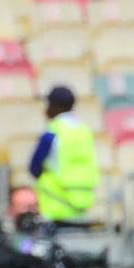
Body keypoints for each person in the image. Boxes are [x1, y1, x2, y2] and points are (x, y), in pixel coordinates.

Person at [27, 85, 100, 225]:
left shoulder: (52, 133)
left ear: (55, 106)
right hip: (83, 206)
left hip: (56, 207)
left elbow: (34, 168)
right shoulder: (85, 132)